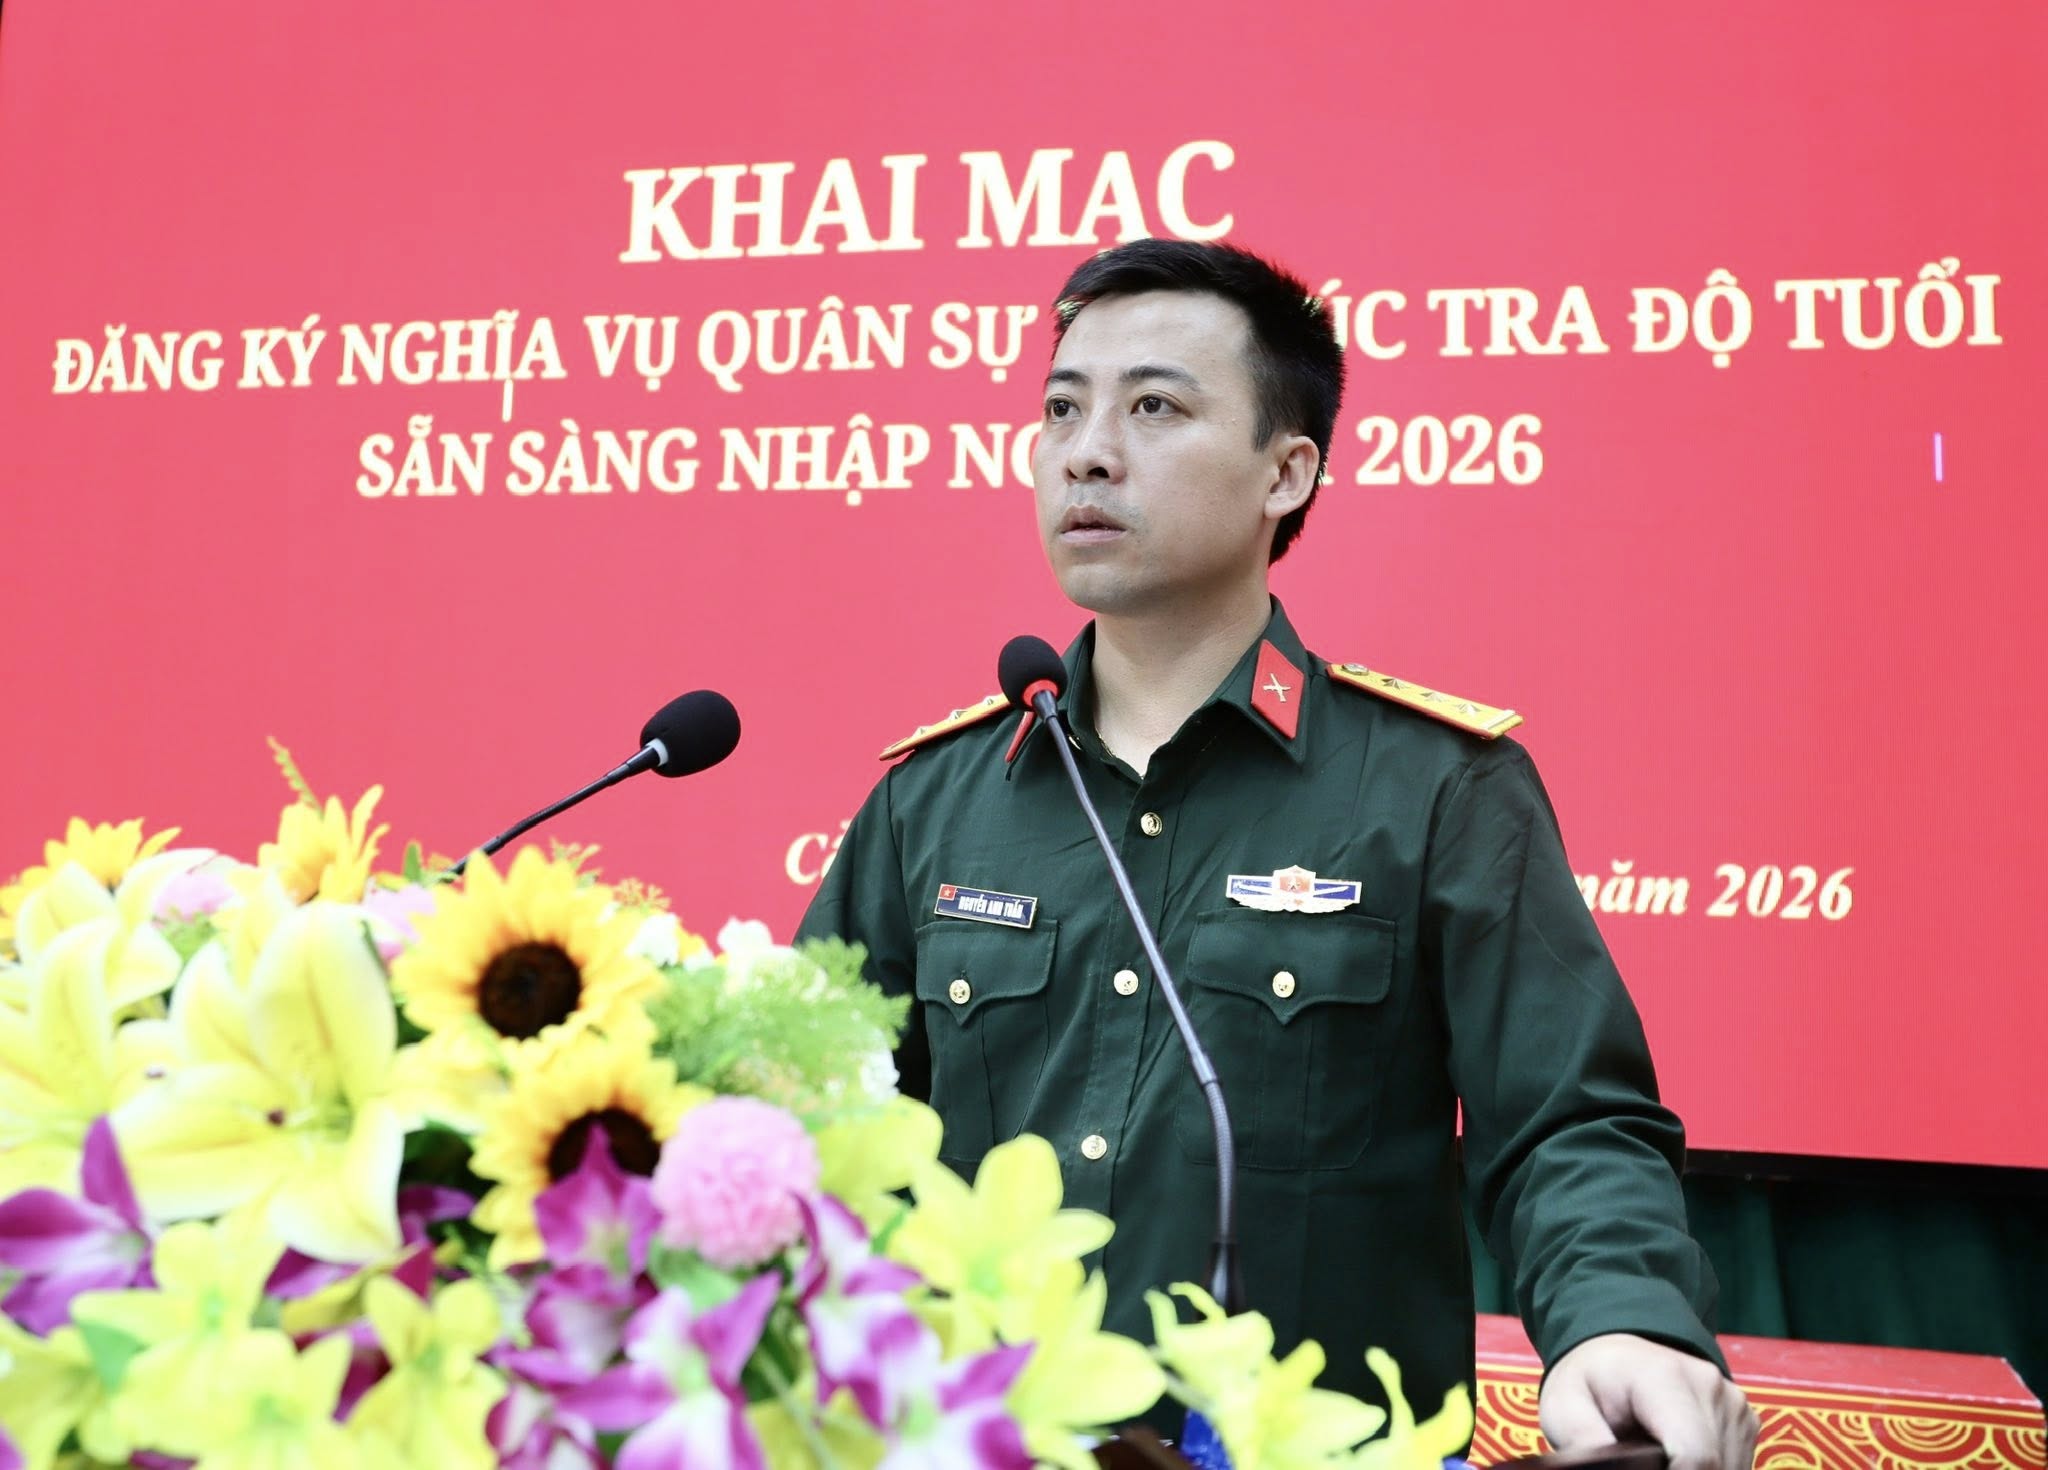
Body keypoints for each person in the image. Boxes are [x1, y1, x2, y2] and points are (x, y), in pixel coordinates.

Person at [798, 238, 1758, 1469]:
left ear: (1285, 472)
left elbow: (1564, 1124)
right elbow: (804, 1127)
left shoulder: (1433, 788)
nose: (1086, 452)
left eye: (1153, 407)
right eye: (1061, 409)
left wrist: (1620, 1320)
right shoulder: (933, 800)